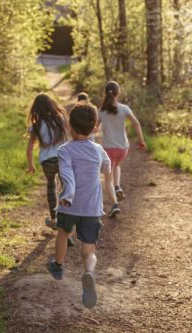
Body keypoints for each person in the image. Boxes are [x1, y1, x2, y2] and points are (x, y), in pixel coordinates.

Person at [47, 103, 111, 309]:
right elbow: (107, 167)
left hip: (68, 204)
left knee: (63, 233)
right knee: (89, 248)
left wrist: (69, 193)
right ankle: (89, 272)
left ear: (69, 127)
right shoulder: (98, 149)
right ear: (95, 129)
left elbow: (65, 172)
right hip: (91, 207)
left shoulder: (65, 150)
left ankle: (58, 266)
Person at [97, 81, 146, 217]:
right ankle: (118, 186)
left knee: (107, 178)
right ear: (118, 94)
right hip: (123, 148)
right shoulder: (124, 108)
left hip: (108, 148)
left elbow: (94, 128)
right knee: (117, 165)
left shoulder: (101, 110)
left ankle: (114, 205)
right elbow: (136, 123)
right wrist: (141, 140)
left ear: (105, 93)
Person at [26, 93, 69, 232]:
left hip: (47, 162)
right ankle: (67, 216)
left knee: (51, 186)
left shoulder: (36, 125)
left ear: (36, 109)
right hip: (62, 158)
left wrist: (31, 165)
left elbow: (30, 147)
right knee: (65, 187)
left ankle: (54, 218)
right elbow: (69, 137)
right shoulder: (59, 119)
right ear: (52, 104)